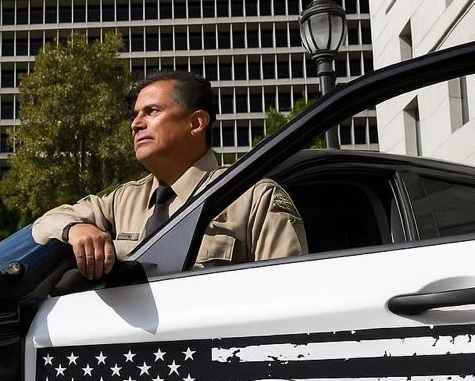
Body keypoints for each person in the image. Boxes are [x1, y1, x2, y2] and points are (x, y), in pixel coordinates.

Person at [32, 71, 308, 280]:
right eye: (135, 115)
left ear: (196, 123)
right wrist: (76, 229)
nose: (135, 124)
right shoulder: (123, 200)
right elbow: (44, 224)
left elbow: (286, 290)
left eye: (151, 111)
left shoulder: (253, 196)